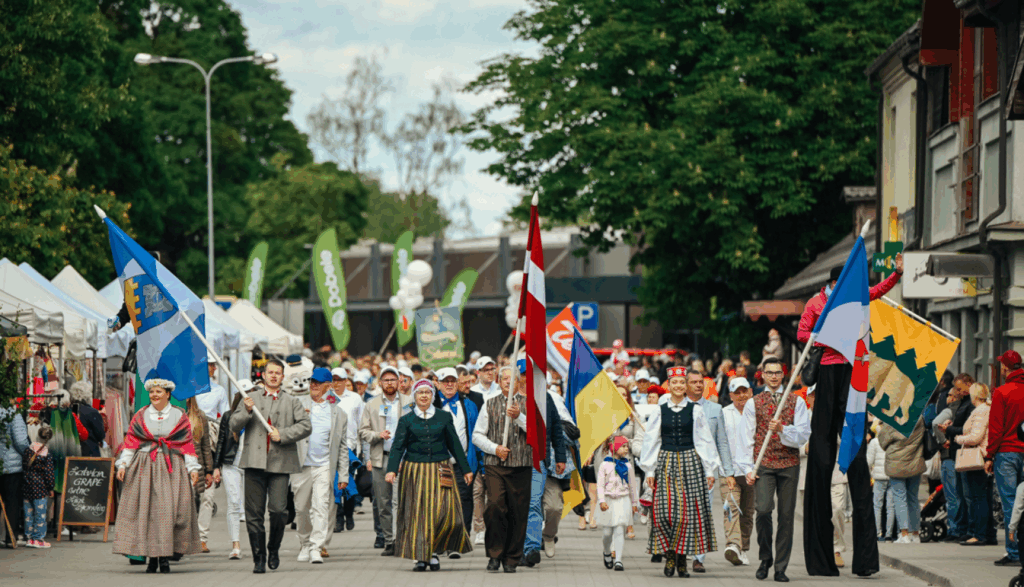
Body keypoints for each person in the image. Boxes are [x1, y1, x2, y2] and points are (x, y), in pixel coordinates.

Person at [799, 257, 902, 578]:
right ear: (832, 284)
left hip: (852, 371)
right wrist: (827, 337)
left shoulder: (855, 299)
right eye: (839, 284)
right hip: (828, 371)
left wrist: (897, 274)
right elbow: (803, 334)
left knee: (856, 448)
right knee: (822, 444)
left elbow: (876, 291)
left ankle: (865, 560)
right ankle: (822, 558)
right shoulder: (815, 303)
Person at [472, 363, 564, 573]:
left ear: (518, 382)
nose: (508, 382)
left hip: (522, 465)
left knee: (518, 511)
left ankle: (512, 558)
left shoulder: (531, 404)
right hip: (495, 465)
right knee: (495, 506)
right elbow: (477, 435)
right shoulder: (489, 403)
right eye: (504, 379)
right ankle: (494, 555)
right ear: (499, 382)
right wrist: (495, 449)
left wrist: (519, 417)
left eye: (512, 379)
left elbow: (538, 434)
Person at [639, 365, 722, 578]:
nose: (678, 386)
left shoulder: (695, 410)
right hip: (665, 462)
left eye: (681, 382)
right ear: (669, 385)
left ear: (686, 385)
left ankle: (682, 558)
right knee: (664, 513)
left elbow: (703, 439)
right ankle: (669, 554)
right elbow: (651, 440)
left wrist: (709, 469)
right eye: (674, 382)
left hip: (690, 462)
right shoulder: (660, 410)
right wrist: (649, 471)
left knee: (686, 515)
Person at [230, 358, 312, 573]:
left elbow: (305, 426)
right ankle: (259, 557)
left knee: (278, 510)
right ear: (264, 375)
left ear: (283, 377)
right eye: (270, 372)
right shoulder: (251, 398)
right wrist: (247, 411)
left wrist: (283, 434)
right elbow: (233, 424)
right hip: (253, 463)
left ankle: (273, 548)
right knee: (253, 514)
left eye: (278, 373)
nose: (274, 376)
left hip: (280, 464)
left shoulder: (292, 401)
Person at [113, 378, 203, 573]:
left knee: (168, 513)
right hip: (145, 466)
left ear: (168, 394)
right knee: (147, 513)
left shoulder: (179, 415)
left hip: (172, 467)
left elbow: (186, 444)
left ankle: (165, 557)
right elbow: (131, 442)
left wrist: (193, 468)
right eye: (152, 392)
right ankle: (153, 558)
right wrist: (123, 464)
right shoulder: (141, 414)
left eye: (159, 392)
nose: (154, 395)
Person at [385, 379, 474, 571]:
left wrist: (466, 469)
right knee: (419, 513)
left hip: (441, 469)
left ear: (433, 396)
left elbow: (454, 444)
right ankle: (423, 556)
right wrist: (391, 469)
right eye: (420, 392)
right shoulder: (406, 420)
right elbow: (398, 446)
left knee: (444, 512)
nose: (424, 396)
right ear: (415, 396)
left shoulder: (444, 417)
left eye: (427, 392)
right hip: (414, 471)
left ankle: (434, 549)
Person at [740, 362, 811, 583]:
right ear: (762, 375)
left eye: (777, 372)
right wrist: (747, 469)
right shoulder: (753, 403)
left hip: (789, 464)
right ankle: (765, 557)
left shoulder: (797, 401)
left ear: (783, 375)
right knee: (762, 511)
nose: (773, 376)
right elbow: (746, 437)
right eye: (769, 372)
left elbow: (803, 435)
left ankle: (781, 567)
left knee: (786, 516)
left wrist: (783, 429)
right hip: (764, 464)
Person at [291, 368, 349, 564]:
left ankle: (316, 547)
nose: (313, 385)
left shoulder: (338, 413)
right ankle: (304, 543)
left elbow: (342, 446)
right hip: (301, 465)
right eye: (312, 382)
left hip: (324, 465)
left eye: (318, 382)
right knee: (301, 508)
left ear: (328, 386)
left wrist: (343, 474)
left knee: (321, 506)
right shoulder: (298, 405)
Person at [359, 365, 413, 555]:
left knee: (400, 501)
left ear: (399, 382)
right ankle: (389, 540)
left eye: (393, 379)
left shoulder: (409, 402)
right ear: (380, 383)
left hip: (404, 459)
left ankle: (401, 539)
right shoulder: (371, 404)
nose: (389, 383)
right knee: (383, 503)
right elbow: (363, 431)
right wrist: (377, 435)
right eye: (386, 380)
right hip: (380, 458)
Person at [433, 366, 481, 557]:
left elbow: (476, 434)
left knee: (464, 501)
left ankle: (459, 542)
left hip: (463, 463)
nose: (449, 385)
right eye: (445, 381)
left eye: (452, 381)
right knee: (440, 503)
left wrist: (478, 463)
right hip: (438, 463)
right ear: (438, 384)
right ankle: (439, 542)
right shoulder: (431, 404)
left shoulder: (469, 405)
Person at [985, 350, 1024, 566]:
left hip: (1007, 452)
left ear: (1005, 368)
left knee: (1010, 502)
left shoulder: (1002, 392)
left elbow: (996, 428)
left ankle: (1015, 552)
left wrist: (989, 455)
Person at [213, 380, 255, 560]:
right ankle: (235, 545)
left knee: (253, 507)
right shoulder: (228, 416)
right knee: (233, 503)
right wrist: (216, 467)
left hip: (252, 465)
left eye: (251, 393)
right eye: (245, 393)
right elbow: (221, 441)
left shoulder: (258, 416)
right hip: (231, 464)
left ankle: (256, 544)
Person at [933, 373, 975, 543]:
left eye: (953, 393)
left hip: (952, 455)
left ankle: (956, 529)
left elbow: (935, 423)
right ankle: (961, 529)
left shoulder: (953, 409)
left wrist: (943, 440)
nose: (947, 398)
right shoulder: (966, 406)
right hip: (957, 454)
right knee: (961, 495)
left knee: (954, 495)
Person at [196, 354, 231, 551]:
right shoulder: (186, 389)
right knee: (187, 494)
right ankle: (185, 536)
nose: (214, 368)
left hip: (210, 440)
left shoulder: (219, 390)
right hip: (187, 439)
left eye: (214, 365)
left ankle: (202, 537)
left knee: (207, 495)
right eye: (210, 365)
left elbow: (225, 420)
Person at [722, 377, 756, 566]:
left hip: (752, 471)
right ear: (731, 395)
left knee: (748, 513)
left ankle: (743, 548)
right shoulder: (724, 414)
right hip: (729, 471)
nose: (741, 395)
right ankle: (733, 545)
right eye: (737, 392)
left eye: (744, 391)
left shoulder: (757, 411)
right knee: (731, 508)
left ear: (750, 392)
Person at [955, 382, 993, 546]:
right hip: (983, 456)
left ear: (975, 395)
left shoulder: (980, 410)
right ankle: (986, 534)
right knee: (982, 497)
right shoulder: (986, 409)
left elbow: (976, 437)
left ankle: (979, 534)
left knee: (977, 498)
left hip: (978, 457)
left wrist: (958, 438)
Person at [877, 419, 925, 543]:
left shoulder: (893, 418)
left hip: (896, 463)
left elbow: (883, 441)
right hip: (915, 461)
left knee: (899, 498)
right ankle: (916, 534)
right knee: (913, 498)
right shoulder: (919, 418)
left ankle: (904, 534)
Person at [598, 436, 640, 571]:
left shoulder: (628, 466)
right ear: (614, 447)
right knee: (607, 533)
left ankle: (618, 560)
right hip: (608, 501)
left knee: (620, 529)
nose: (626, 449)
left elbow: (633, 485)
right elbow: (600, 485)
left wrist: (634, 502)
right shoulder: (604, 465)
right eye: (623, 446)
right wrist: (602, 500)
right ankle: (606, 551)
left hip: (623, 500)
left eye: (627, 446)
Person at [331, 367, 363, 534]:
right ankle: (338, 517)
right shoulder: (326, 397)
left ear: (345, 381)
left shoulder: (355, 398)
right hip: (330, 447)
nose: (336, 383)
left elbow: (361, 423)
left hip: (350, 447)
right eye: (334, 380)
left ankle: (348, 513)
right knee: (334, 482)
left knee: (347, 482)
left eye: (340, 380)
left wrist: (362, 448)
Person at [0, 401, 31, 547]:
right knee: (12, 501)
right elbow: (20, 441)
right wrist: (27, 454)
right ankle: (10, 537)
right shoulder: (13, 415)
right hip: (11, 465)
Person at [21, 426, 54, 549]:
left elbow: (23, 467)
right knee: (40, 514)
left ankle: (29, 538)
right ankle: (38, 539)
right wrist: (50, 488)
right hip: (40, 489)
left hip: (27, 487)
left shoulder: (27, 450)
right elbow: (49, 474)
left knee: (28, 514)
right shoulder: (46, 454)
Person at [866, 427, 894, 542]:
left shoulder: (874, 442)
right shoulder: (894, 440)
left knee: (877, 505)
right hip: (892, 476)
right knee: (891, 506)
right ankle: (889, 534)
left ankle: (877, 533)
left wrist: (870, 476)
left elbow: (868, 461)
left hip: (878, 477)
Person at [69, 381, 105, 457]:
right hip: (90, 454)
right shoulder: (92, 412)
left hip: (70, 454)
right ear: (88, 395)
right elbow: (100, 435)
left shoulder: (68, 411)